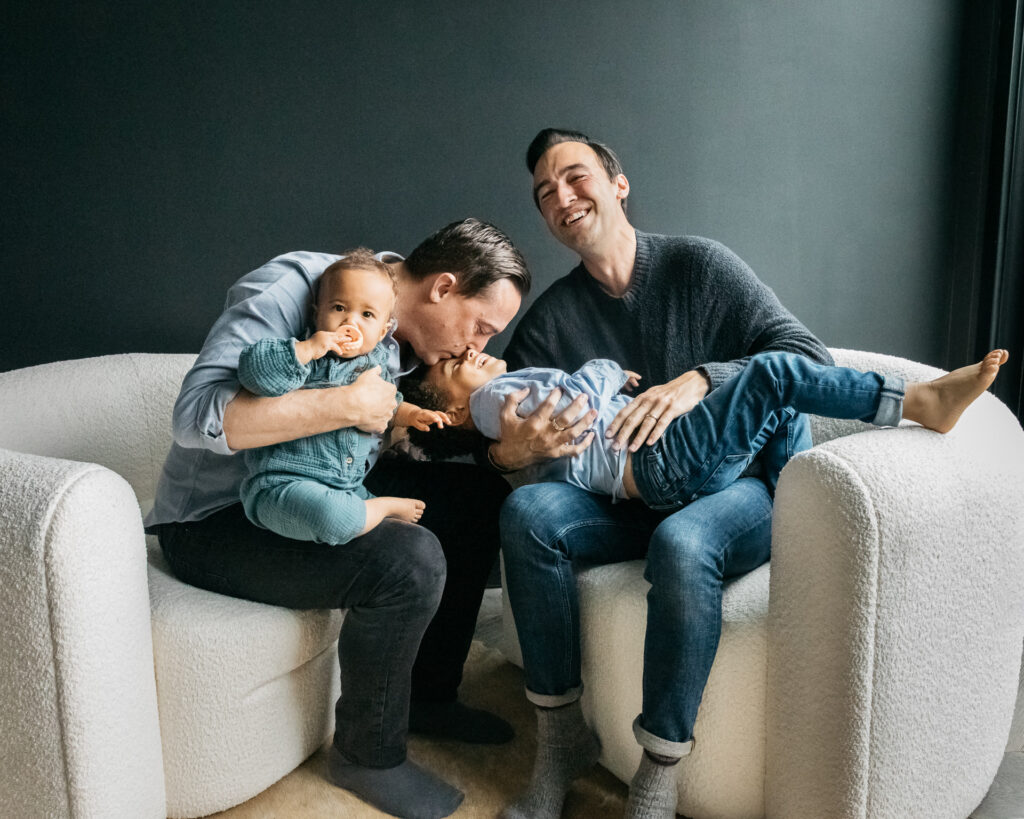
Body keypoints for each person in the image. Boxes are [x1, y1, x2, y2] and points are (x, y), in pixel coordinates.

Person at [484, 128, 836, 819]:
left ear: (618, 185)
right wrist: (509, 454)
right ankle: (561, 745)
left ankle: (657, 775)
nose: (562, 196)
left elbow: (809, 358)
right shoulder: (550, 323)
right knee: (526, 517)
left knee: (684, 541)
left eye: (576, 176)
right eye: (545, 193)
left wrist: (702, 380)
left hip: (741, 489)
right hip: (625, 499)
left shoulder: (699, 267)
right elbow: (505, 452)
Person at [145, 218, 529, 819]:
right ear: (443, 286)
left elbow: (384, 434)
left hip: (327, 481)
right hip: (215, 518)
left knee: (478, 498)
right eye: (480, 327)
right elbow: (194, 417)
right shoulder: (300, 287)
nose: (477, 347)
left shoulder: (403, 341)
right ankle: (367, 757)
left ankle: (427, 696)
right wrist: (344, 403)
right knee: (410, 560)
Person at [403, 349, 1009, 509]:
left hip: (664, 468)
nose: (469, 352)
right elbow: (579, 399)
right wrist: (606, 370)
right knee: (772, 376)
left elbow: (799, 343)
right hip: (657, 461)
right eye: (453, 366)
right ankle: (921, 402)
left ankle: (787, 508)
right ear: (454, 413)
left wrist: (696, 379)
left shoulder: (495, 395)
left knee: (783, 393)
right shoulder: (492, 404)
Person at [238, 250, 451, 544]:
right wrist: (307, 349)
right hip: (283, 483)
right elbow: (255, 373)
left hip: (347, 487)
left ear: (382, 332)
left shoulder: (374, 368)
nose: (350, 321)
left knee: (402, 535)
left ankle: (367, 509)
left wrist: (412, 414)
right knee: (336, 519)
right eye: (338, 307)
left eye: (367, 315)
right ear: (317, 313)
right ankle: (382, 507)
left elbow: (388, 405)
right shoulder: (307, 353)